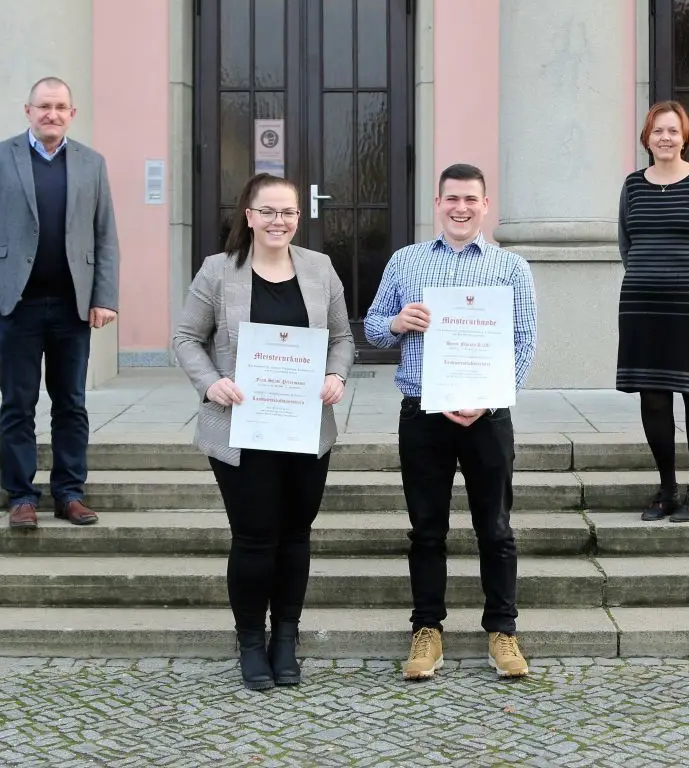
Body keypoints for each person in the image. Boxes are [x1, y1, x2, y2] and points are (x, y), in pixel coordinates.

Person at [172, 173, 355, 690]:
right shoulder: (217, 272)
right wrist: (211, 384)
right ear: (248, 216)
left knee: (296, 536)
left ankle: (285, 639)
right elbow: (186, 338)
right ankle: (251, 641)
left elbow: (342, 337)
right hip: (241, 427)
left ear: (300, 217)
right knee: (254, 538)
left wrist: (336, 375)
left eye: (289, 212)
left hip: (304, 428)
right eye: (269, 211)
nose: (280, 221)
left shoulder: (319, 269)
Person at [364, 163, 537, 681]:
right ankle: (427, 631)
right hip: (423, 412)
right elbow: (372, 329)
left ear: (485, 206)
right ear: (437, 204)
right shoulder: (406, 262)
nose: (461, 208)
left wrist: (488, 398)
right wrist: (396, 323)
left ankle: (502, 631)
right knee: (426, 530)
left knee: (497, 528)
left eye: (471, 200)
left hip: (488, 416)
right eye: (451, 199)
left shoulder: (510, 267)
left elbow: (523, 342)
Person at [0, 76, 120, 529]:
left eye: (60, 106)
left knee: (71, 401)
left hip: (73, 305)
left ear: (73, 114)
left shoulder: (91, 163)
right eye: (43, 106)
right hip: (17, 304)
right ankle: (21, 496)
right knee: (18, 402)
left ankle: (69, 492)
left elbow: (105, 235)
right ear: (27, 110)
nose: (51, 113)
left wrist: (104, 296)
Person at [616, 101, 689, 523]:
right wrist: (651, 277)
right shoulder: (632, 185)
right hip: (642, 308)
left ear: (685, 136)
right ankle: (667, 488)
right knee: (654, 399)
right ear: (646, 138)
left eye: (673, 130)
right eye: (657, 131)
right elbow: (627, 244)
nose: (665, 138)